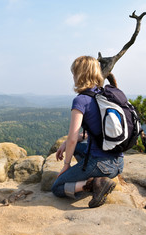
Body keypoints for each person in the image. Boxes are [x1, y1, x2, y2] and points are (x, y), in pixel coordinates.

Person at [51, 56, 124, 208]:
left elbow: (72, 137)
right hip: (118, 163)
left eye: (74, 73)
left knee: (57, 187)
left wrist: (66, 165)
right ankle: (99, 178)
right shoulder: (106, 95)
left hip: (101, 164)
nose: (72, 77)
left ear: (80, 75)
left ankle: (93, 183)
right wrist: (66, 143)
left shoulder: (81, 100)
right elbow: (94, 132)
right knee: (78, 146)